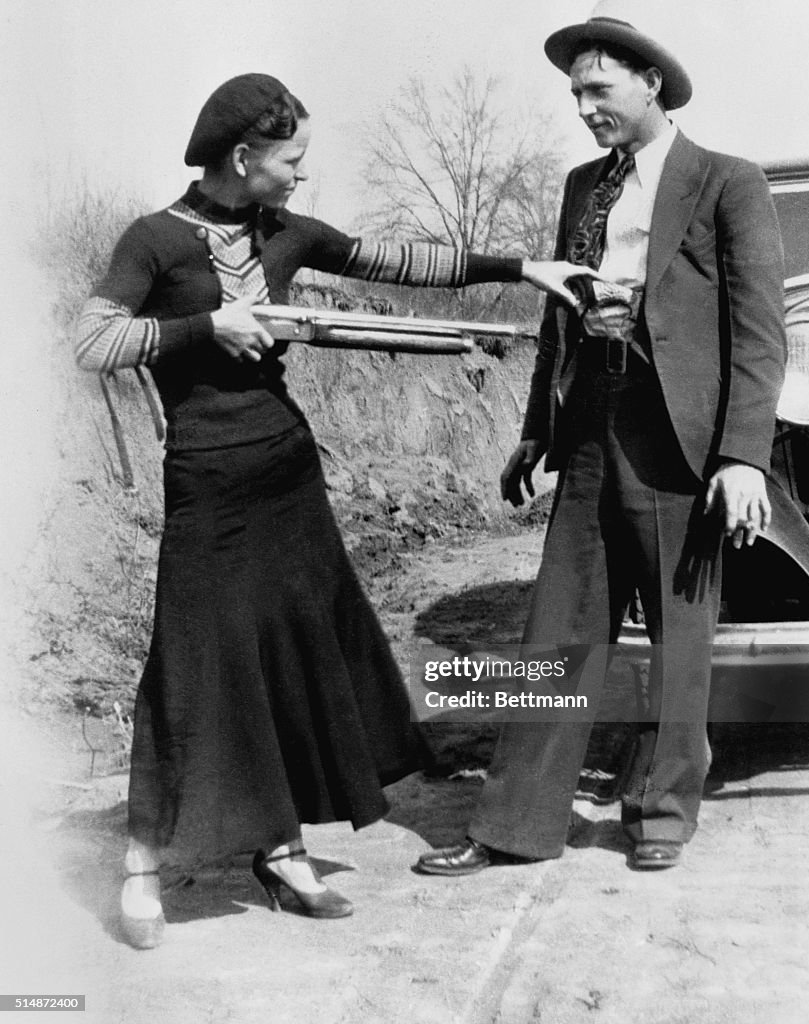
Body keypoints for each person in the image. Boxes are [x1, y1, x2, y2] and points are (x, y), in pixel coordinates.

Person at [74, 72, 598, 948]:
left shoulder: (286, 232)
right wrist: (205, 328)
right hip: (207, 483)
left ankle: (281, 849)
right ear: (244, 156)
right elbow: (93, 340)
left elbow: (397, 260)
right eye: (292, 160)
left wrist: (523, 269)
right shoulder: (154, 239)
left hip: (287, 473)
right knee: (190, 665)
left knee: (295, 656)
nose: (301, 175)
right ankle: (142, 865)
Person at [416, 2, 786, 877]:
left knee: (678, 634)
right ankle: (515, 823)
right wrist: (533, 431)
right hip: (590, 420)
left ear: (650, 83)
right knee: (560, 629)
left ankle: (661, 812)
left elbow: (758, 331)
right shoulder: (584, 185)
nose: (584, 108)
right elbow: (559, 317)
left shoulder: (727, 181)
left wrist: (742, 456)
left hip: (679, 437)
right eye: (575, 94)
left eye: (598, 89)